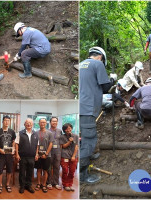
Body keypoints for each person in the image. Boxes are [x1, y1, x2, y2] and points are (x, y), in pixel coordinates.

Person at [79, 46, 116, 183]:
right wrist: (112, 80)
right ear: (100, 57)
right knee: (89, 140)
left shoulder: (81, 64)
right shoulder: (97, 64)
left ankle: (86, 157)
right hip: (88, 108)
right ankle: (83, 175)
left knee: (83, 137)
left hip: (80, 107)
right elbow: (106, 88)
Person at [15, 118, 39, 194]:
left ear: (32, 125)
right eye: (27, 123)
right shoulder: (20, 133)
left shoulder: (35, 134)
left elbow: (37, 145)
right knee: (22, 172)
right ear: (24, 124)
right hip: (22, 156)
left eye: (30, 123)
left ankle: (28, 185)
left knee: (30, 172)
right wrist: (17, 154)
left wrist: (37, 154)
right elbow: (16, 144)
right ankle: (22, 186)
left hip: (32, 157)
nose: (29, 124)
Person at [0, 116, 16, 194]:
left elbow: (14, 140)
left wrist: (13, 148)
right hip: (1, 154)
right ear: (2, 121)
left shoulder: (12, 131)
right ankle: (0, 185)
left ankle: (7, 184)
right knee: (0, 170)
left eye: (8, 121)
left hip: (9, 154)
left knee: (9, 170)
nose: (7, 122)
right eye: (5, 120)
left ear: (9, 122)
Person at [35, 118, 54, 193]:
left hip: (47, 155)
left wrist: (46, 154)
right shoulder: (36, 133)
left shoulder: (50, 133)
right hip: (38, 155)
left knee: (45, 170)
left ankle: (44, 184)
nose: (42, 124)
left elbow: (51, 144)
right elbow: (35, 144)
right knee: (39, 170)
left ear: (46, 123)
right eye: (41, 122)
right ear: (39, 123)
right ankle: (38, 183)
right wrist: (37, 154)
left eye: (44, 122)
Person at [60, 123, 79, 192]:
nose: (69, 130)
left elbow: (76, 146)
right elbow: (63, 146)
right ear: (64, 130)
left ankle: (70, 184)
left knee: (72, 171)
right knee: (65, 171)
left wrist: (74, 156)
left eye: (70, 128)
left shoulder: (76, 136)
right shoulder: (62, 137)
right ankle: (65, 184)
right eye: (67, 129)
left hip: (73, 156)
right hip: (65, 156)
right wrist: (69, 141)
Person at [47, 117, 63, 190]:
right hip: (49, 152)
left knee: (57, 168)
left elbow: (61, 142)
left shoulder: (60, 131)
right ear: (50, 122)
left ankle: (56, 183)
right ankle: (49, 182)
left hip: (58, 152)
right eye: (53, 121)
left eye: (56, 121)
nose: (55, 123)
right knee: (49, 168)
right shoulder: (47, 131)